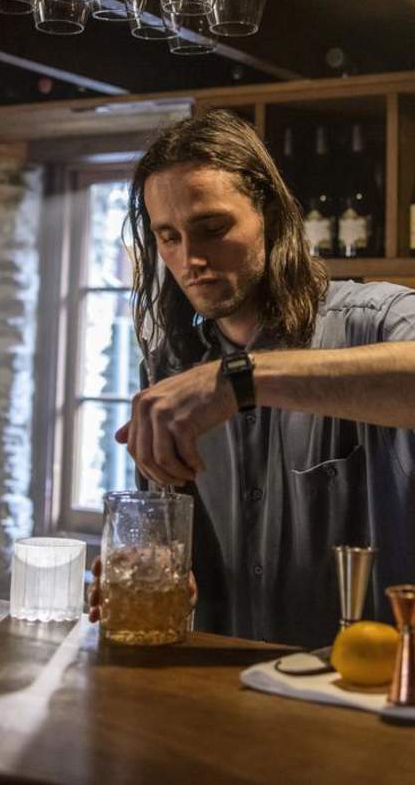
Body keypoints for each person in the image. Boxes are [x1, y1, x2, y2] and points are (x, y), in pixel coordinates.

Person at [89, 109, 415, 649]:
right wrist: (161, 572)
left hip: (360, 697)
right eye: (168, 237)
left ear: (270, 213)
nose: (190, 258)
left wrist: (240, 379)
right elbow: (175, 551)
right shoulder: (172, 372)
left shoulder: (375, 320)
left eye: (212, 228)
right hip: (224, 700)